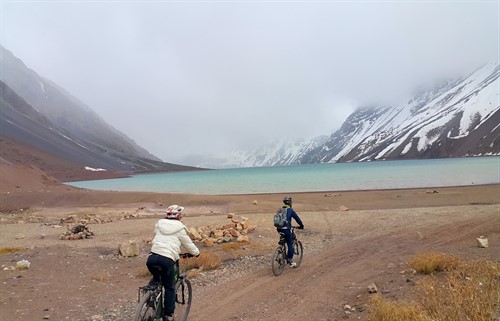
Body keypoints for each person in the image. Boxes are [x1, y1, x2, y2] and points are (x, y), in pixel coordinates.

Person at [146, 205, 200, 321]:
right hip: (167, 259)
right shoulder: (180, 228)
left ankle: (150, 296)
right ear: (179, 216)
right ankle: (168, 316)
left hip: (152, 258)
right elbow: (189, 244)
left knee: (156, 278)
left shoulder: (159, 224)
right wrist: (196, 253)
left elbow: (156, 238)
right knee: (170, 287)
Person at [276, 196, 304, 267]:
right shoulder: (290, 210)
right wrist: (301, 225)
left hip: (279, 228)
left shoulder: (280, 209)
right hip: (286, 229)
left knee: (283, 237)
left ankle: (281, 248)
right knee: (290, 243)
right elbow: (297, 219)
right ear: (290, 203)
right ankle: (290, 260)